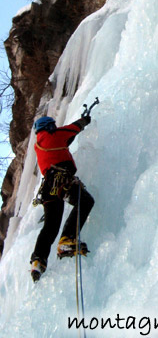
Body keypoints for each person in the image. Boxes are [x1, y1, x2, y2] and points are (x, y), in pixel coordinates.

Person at [30, 114, 95, 282]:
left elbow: (62, 143)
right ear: (49, 127)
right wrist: (84, 121)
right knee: (86, 201)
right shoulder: (55, 134)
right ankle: (68, 239)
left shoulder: (40, 143)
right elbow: (72, 129)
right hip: (61, 181)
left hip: (48, 190)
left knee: (50, 226)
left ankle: (38, 260)